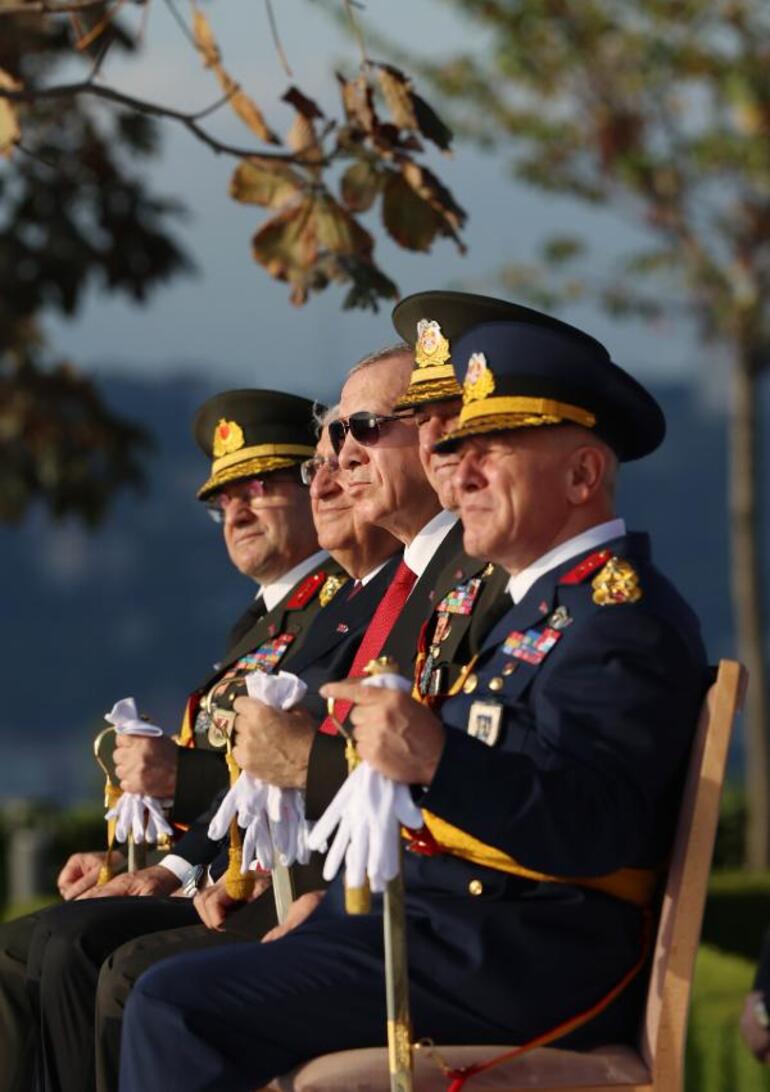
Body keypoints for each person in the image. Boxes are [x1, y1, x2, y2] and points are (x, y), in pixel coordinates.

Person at [118, 301, 710, 1092]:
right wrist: (328, 909)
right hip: (447, 933)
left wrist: (436, 757)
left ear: (582, 474)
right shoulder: (542, 606)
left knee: (173, 1004)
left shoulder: (619, 619)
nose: (457, 474)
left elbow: (591, 830)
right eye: (456, 447)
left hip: (521, 962)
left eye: (489, 451)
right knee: (150, 984)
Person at [0, 388, 361, 1092]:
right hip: (232, 869)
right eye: (223, 497)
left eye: (261, 486)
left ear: (317, 486)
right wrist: (144, 855)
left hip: (291, 885)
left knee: (79, 948)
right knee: (21, 949)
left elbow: (301, 773)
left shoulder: (338, 609)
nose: (238, 509)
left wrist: (175, 832)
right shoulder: (262, 625)